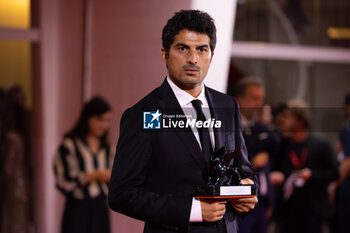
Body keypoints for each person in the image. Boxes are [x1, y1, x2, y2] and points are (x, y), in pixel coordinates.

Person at [108, 10, 258, 233]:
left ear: (211, 56)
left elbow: (244, 171)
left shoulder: (228, 106)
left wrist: (249, 190)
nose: (193, 59)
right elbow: (123, 194)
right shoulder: (145, 114)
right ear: (165, 54)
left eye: (201, 49)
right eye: (182, 48)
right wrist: (192, 210)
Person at [274, 100, 338, 233]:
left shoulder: (321, 146)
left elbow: (334, 173)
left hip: (313, 211)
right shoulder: (282, 145)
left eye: (289, 116)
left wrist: (312, 175)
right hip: (287, 213)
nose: (284, 120)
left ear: (300, 120)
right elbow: (276, 170)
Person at [54, 96, 114, 233]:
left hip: (100, 208)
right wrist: (93, 176)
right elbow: (62, 181)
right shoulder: (70, 145)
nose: (104, 125)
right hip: (77, 208)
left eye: (107, 120)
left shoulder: (108, 148)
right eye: (100, 120)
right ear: (88, 118)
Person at [234, 77, 276, 233]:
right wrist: (251, 162)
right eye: (254, 99)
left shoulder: (261, 128)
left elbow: (278, 150)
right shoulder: (229, 128)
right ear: (239, 99)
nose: (259, 104)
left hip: (262, 202)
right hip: (240, 203)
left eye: (261, 99)